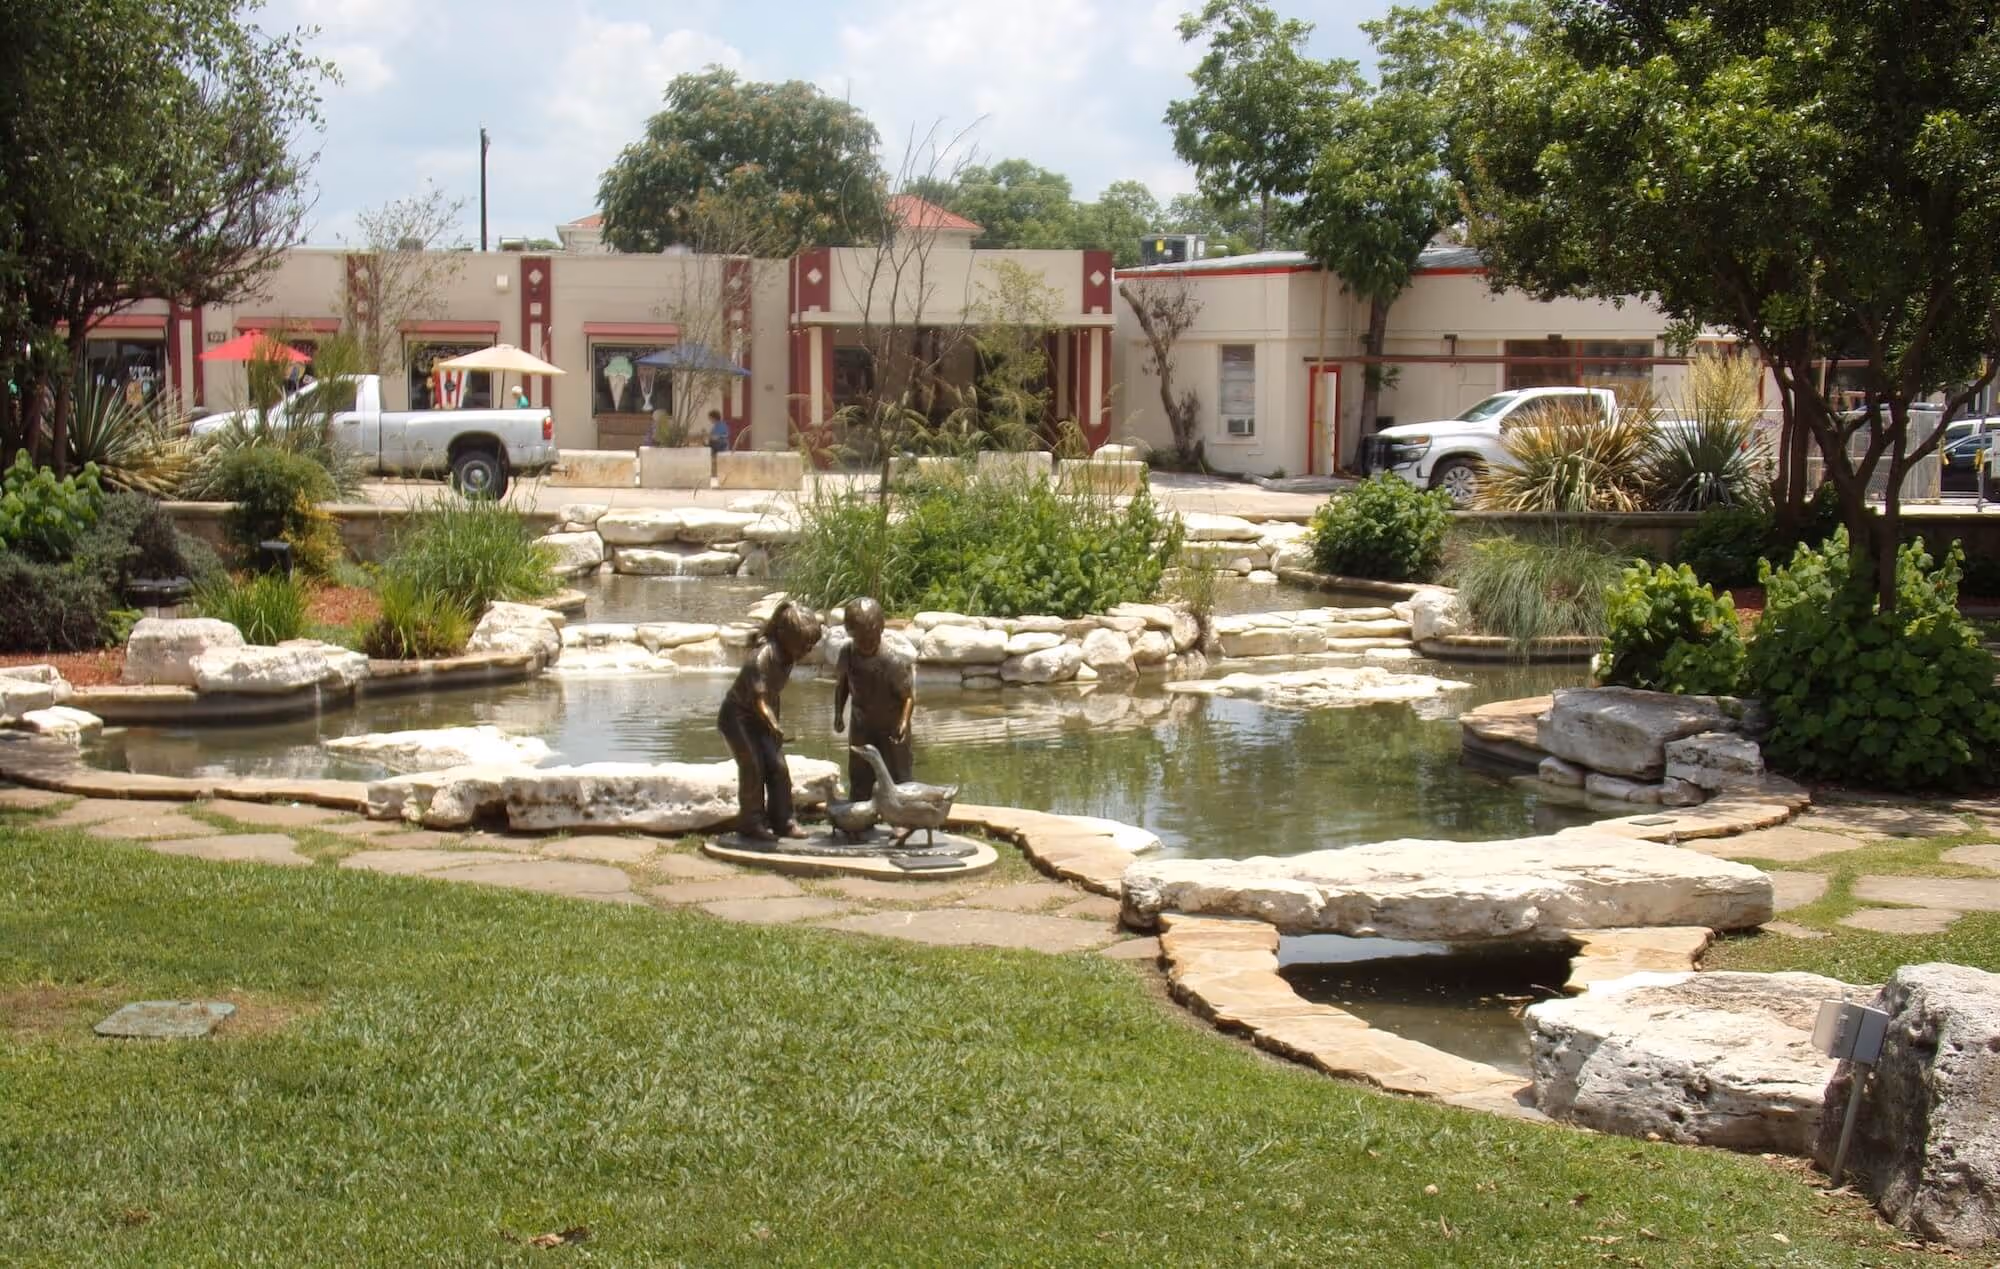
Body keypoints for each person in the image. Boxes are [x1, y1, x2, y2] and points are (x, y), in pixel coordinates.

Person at [717, 600, 822, 841]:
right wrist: (775, 725)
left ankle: (783, 821)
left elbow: (771, 696)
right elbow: (759, 700)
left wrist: (775, 725)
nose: (807, 649)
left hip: (764, 715)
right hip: (738, 718)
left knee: (778, 767)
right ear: (784, 635)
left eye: (810, 644)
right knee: (753, 767)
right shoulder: (761, 657)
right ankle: (751, 822)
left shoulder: (788, 653)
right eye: (803, 643)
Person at [832, 597, 914, 801]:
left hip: (891, 725)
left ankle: (901, 813)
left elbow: (908, 697)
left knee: (898, 772)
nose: (866, 645)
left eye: (871, 639)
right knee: (860, 771)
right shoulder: (847, 654)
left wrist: (903, 723)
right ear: (851, 634)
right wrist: (838, 714)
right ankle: (860, 812)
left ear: (880, 630)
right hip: (861, 724)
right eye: (861, 640)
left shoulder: (891, 661)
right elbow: (841, 685)